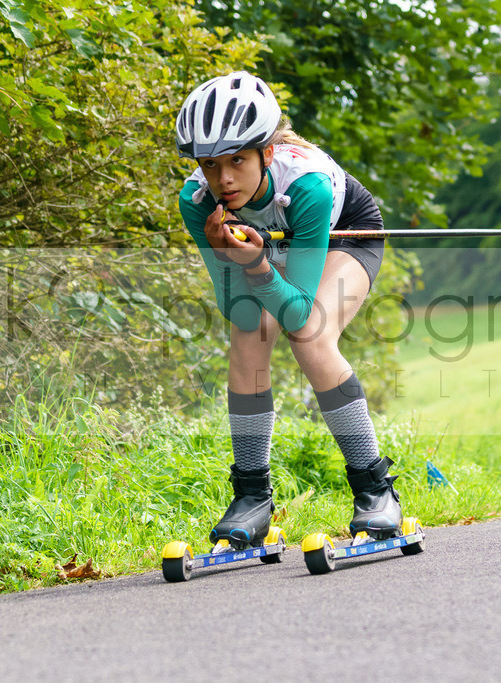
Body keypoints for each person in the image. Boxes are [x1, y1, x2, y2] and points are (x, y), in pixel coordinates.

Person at [175, 71, 401, 547]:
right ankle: (252, 498)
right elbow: (239, 312)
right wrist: (227, 256)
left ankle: (375, 489)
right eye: (210, 164)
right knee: (249, 334)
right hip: (267, 246)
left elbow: (297, 314)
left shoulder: (308, 186)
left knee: (310, 335)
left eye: (237, 160)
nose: (224, 179)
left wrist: (256, 265)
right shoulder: (197, 202)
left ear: (267, 152)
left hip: (343, 234)